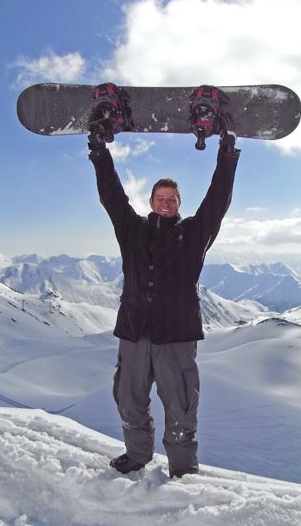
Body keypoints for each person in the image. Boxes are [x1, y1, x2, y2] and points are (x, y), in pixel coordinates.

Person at [88, 110, 240, 478]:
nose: (165, 202)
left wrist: (227, 155)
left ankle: (183, 468)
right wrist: (99, 151)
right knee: (129, 398)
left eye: (172, 198)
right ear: (151, 200)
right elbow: (112, 196)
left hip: (176, 337)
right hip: (134, 331)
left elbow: (217, 201)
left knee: (181, 406)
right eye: (160, 197)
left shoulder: (193, 234)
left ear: (178, 204)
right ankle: (138, 455)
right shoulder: (132, 230)